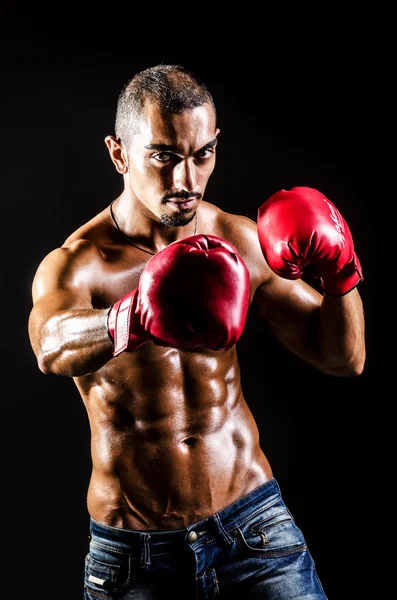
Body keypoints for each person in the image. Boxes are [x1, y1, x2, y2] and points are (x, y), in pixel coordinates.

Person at [28, 64, 365, 600]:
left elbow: (343, 358)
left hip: (253, 527)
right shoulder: (79, 264)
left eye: (201, 154)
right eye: (163, 156)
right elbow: (50, 346)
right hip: (134, 554)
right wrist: (134, 316)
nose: (185, 180)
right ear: (120, 155)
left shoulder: (238, 238)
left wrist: (342, 272)